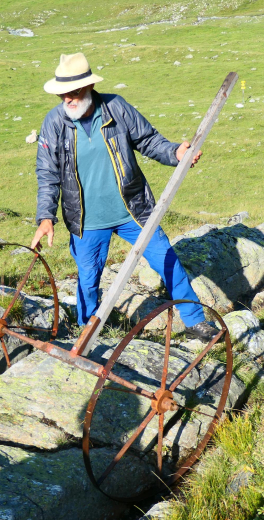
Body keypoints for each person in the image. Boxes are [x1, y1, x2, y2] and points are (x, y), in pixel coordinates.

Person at [30, 52, 219, 342]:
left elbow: (148, 141)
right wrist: (46, 217)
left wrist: (175, 153)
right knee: (88, 281)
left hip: (134, 210)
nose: (68, 99)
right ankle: (88, 332)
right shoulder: (54, 123)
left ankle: (195, 321)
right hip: (86, 220)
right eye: (62, 94)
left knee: (167, 260)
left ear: (89, 87)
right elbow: (47, 173)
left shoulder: (116, 107)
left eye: (74, 92)